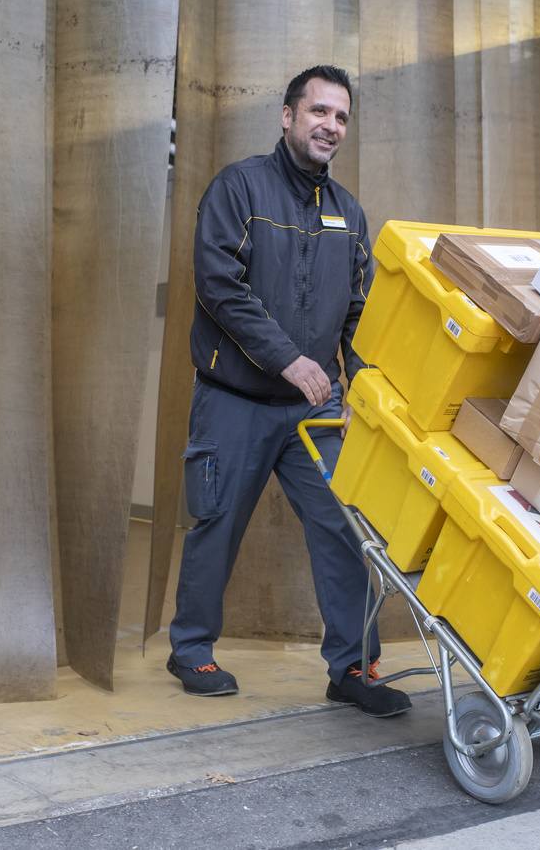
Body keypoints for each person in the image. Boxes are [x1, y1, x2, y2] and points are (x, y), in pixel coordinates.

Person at [166, 65, 411, 718]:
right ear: (287, 116)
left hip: (314, 407)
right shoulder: (239, 188)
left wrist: (361, 384)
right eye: (319, 111)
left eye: (341, 117)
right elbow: (218, 286)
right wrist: (288, 360)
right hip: (236, 397)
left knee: (344, 527)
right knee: (216, 522)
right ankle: (191, 649)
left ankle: (352, 667)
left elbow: (359, 312)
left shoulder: (348, 213)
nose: (331, 125)